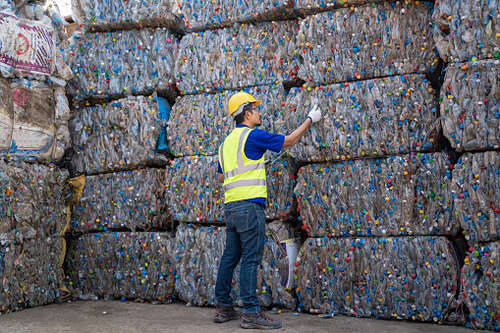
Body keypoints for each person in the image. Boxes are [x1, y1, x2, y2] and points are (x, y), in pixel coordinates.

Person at [214, 91, 322, 329]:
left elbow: (222, 175)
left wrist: (253, 164)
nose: (259, 113)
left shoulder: (226, 143)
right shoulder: (252, 136)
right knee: (251, 259)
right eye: (256, 109)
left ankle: (223, 307)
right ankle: (251, 313)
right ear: (247, 113)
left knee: (230, 257)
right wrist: (310, 120)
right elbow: (289, 141)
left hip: (231, 207)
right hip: (250, 206)